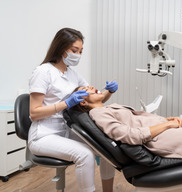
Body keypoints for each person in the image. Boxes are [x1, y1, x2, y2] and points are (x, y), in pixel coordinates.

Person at [29, 28, 116, 192]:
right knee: (85, 155)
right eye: (74, 50)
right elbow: (34, 113)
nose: (78, 54)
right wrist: (66, 104)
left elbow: (93, 100)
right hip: (43, 135)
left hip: (68, 131)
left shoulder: (73, 74)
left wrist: (108, 92)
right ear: (61, 48)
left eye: (81, 51)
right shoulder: (43, 72)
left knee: (107, 149)